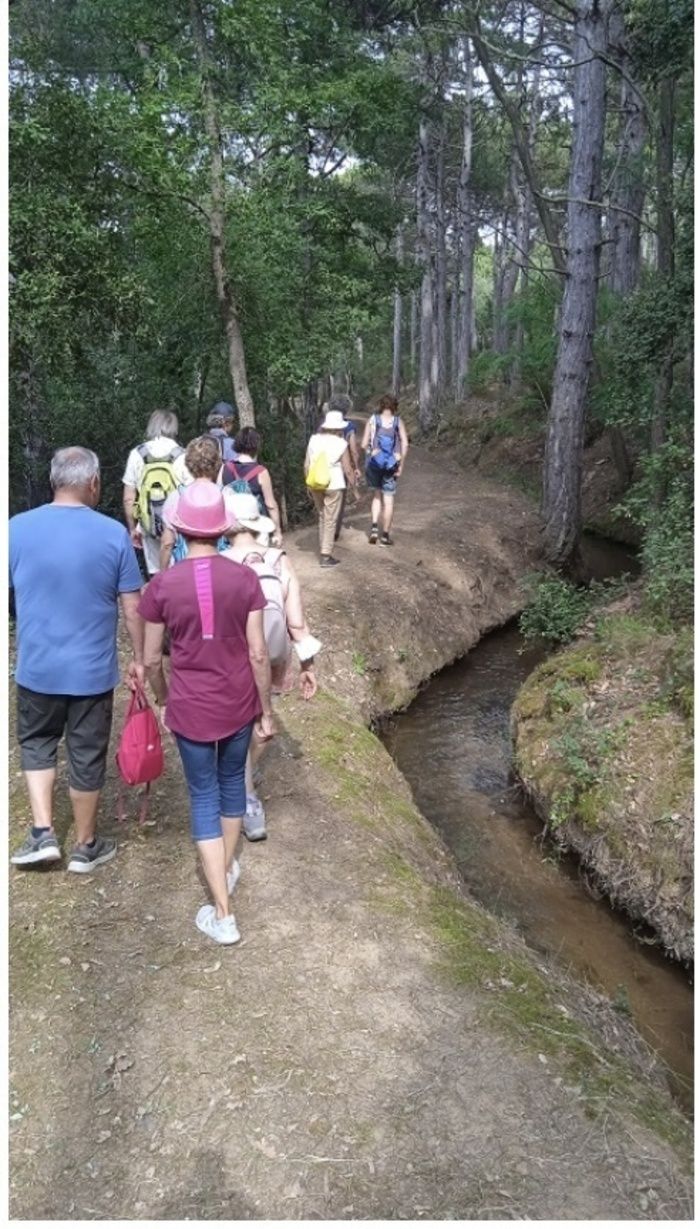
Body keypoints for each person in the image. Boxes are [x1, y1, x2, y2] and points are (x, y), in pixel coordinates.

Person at [138, 480, 275, 946]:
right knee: (232, 783)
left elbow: (153, 659)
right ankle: (227, 869)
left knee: (202, 796)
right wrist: (265, 709)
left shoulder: (162, 585)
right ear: (221, 530)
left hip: (191, 707)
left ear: (177, 527)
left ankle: (222, 911)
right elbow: (258, 654)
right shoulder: (245, 579)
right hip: (238, 701)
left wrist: (161, 698)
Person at [10, 447, 144, 873]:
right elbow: (132, 606)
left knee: (37, 743)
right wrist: (142, 659)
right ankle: (86, 845)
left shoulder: (15, 529)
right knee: (86, 754)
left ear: (54, 481)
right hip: (90, 674)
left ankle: (43, 833)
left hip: (37, 668)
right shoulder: (112, 535)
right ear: (93, 483)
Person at [221, 491, 320, 841]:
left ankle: (246, 799)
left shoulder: (220, 564)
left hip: (234, 655)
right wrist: (308, 664)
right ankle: (244, 778)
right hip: (274, 654)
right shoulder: (279, 560)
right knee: (261, 718)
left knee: (241, 725)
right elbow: (296, 622)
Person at [122, 410, 189, 577]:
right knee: (180, 574)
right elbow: (190, 494)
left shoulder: (137, 454)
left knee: (157, 575)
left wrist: (133, 528)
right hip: (177, 525)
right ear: (174, 427)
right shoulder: (182, 455)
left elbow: (128, 498)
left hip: (148, 524)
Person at [159, 435, 223, 571]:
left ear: (188, 463)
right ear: (217, 463)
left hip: (185, 569)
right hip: (221, 569)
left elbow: (167, 543)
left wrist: (162, 575)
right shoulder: (226, 495)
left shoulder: (176, 497)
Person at [304, 408, 357, 567]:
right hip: (334, 484)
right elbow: (347, 469)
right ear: (339, 427)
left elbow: (307, 464)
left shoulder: (313, 439)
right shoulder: (341, 443)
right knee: (330, 519)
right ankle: (326, 556)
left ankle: (323, 548)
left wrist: (308, 483)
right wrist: (354, 488)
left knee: (322, 515)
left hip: (315, 483)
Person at [220, 427, 283, 546]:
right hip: (256, 525)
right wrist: (277, 532)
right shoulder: (261, 472)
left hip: (232, 526)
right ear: (257, 446)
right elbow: (271, 505)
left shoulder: (226, 468)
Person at [361, 393, 409, 546]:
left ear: (380, 406)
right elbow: (405, 444)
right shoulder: (397, 422)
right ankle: (385, 536)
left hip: (374, 464)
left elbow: (363, 444)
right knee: (388, 501)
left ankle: (374, 528)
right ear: (395, 407)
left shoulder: (373, 420)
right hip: (390, 466)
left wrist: (371, 454)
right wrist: (400, 464)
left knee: (376, 496)